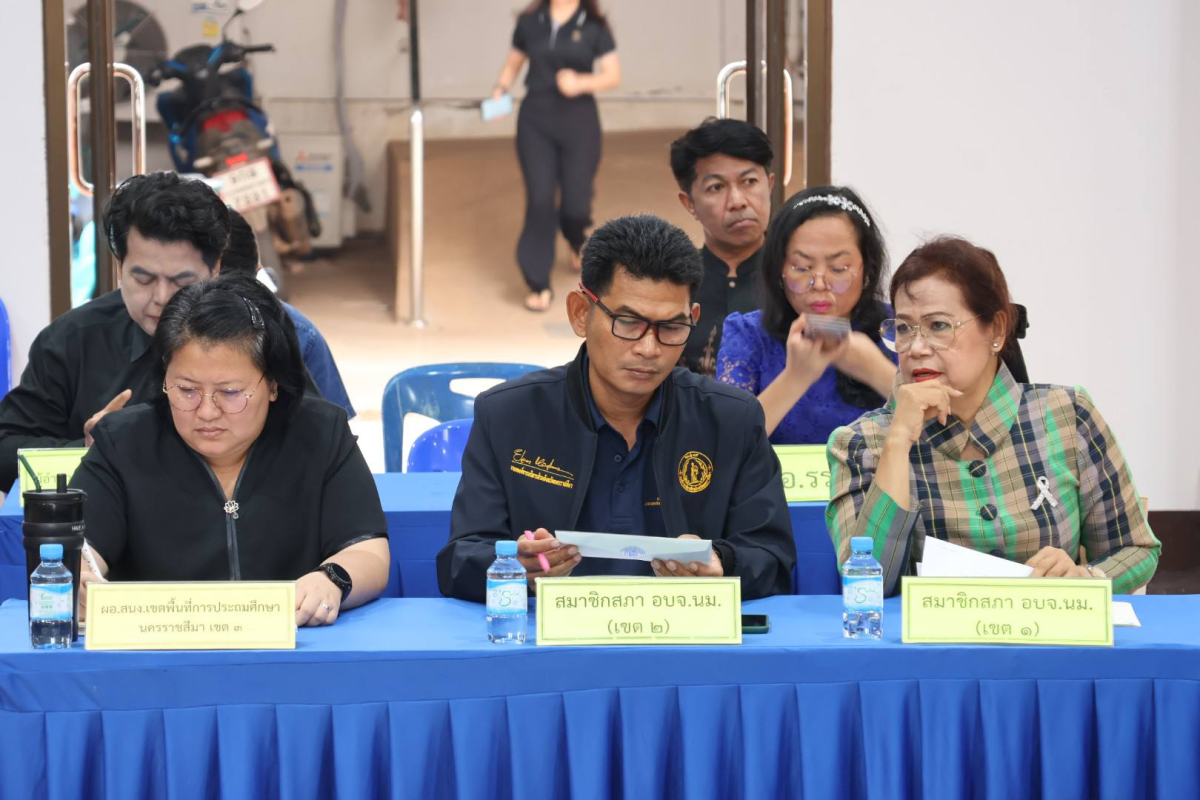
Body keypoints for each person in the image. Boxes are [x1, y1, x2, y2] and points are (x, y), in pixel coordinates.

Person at [437, 214, 795, 601]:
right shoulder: (507, 415)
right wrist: (515, 568)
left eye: (671, 327)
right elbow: (460, 558)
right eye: (628, 322)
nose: (649, 348)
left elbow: (772, 556)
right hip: (552, 635)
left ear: (693, 319)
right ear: (580, 312)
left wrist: (722, 563)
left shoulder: (732, 419)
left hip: (683, 634)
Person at [827, 236, 1160, 595]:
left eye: (938, 326)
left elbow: (1136, 548)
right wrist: (896, 442)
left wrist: (1085, 579)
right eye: (905, 328)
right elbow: (867, 587)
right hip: (929, 634)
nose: (916, 348)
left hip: (1045, 629)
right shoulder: (861, 442)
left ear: (997, 330)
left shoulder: (1067, 414)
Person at [70, 274, 389, 626]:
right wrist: (80, 578)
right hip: (161, 649)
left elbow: (367, 550)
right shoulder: (122, 443)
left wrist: (331, 580)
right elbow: (78, 547)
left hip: (296, 643)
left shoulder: (320, 433)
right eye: (186, 390)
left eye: (231, 392)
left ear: (272, 384)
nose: (207, 411)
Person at [0, 171, 230, 490]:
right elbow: (6, 451)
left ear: (215, 269)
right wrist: (87, 452)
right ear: (120, 265)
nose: (161, 298)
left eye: (182, 281)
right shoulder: (72, 340)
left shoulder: (254, 335)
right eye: (144, 279)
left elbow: (300, 447)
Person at [717, 186, 898, 444]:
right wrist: (795, 377)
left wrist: (879, 373)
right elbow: (723, 445)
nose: (819, 284)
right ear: (779, 270)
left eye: (839, 268)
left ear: (867, 268)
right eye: (802, 267)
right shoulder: (748, 334)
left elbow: (948, 436)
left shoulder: (899, 328)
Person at [491, 0, 621, 312]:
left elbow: (612, 75)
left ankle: (576, 238)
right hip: (535, 121)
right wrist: (500, 89)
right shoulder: (530, 22)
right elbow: (513, 64)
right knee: (540, 199)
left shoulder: (594, 25)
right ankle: (538, 281)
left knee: (576, 203)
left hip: (580, 121)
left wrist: (581, 82)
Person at [221, 209, 356, 418]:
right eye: (188, 389)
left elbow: (332, 428)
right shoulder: (299, 330)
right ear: (259, 268)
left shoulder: (299, 333)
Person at [669, 118, 774, 378]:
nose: (737, 201)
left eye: (749, 181)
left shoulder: (799, 277)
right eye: (716, 187)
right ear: (689, 203)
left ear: (770, 185)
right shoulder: (671, 283)